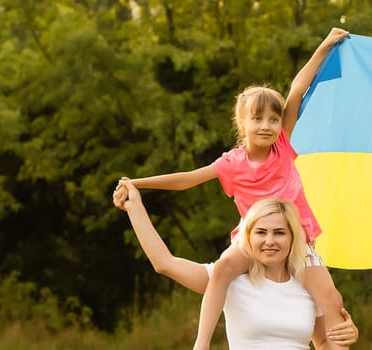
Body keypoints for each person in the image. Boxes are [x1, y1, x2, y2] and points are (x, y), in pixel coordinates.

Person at [114, 28, 352, 349]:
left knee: (330, 296)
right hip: (253, 235)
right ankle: (201, 343)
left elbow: (298, 88)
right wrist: (137, 184)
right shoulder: (231, 164)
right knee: (224, 267)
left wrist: (324, 47)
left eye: (273, 119)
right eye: (258, 119)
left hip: (300, 236)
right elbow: (187, 179)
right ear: (243, 124)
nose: (266, 126)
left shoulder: (283, 146)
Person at [113, 179, 359, 349]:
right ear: (247, 237)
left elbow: (324, 343)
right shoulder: (230, 280)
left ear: (292, 237)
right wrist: (135, 207)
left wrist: (348, 334)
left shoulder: (307, 285)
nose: (269, 241)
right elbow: (164, 263)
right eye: (261, 232)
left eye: (279, 233)